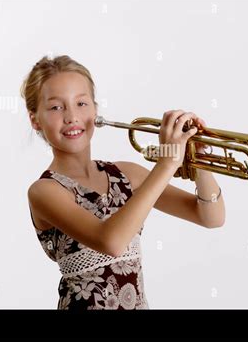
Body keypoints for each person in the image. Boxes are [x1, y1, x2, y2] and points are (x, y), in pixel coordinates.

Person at [21, 55, 225, 310]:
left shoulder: (126, 174)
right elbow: (112, 241)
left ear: (95, 109)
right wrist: (167, 163)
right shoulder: (44, 191)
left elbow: (210, 217)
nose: (72, 116)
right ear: (35, 119)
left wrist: (200, 161)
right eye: (55, 107)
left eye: (81, 103)